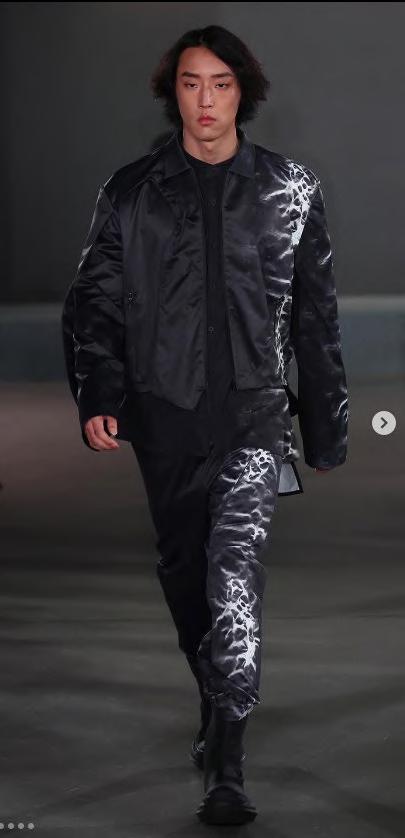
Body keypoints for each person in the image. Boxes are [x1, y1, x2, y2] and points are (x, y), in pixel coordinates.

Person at [61, 24, 348, 826]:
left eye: (220, 84)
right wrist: (99, 394)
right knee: (187, 579)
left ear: (242, 92)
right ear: (173, 93)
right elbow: (95, 303)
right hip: (166, 420)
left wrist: (325, 427)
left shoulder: (289, 189)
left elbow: (316, 316)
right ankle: (214, 702)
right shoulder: (132, 191)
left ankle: (228, 764)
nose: (205, 100)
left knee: (234, 583)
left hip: (255, 420)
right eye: (191, 83)